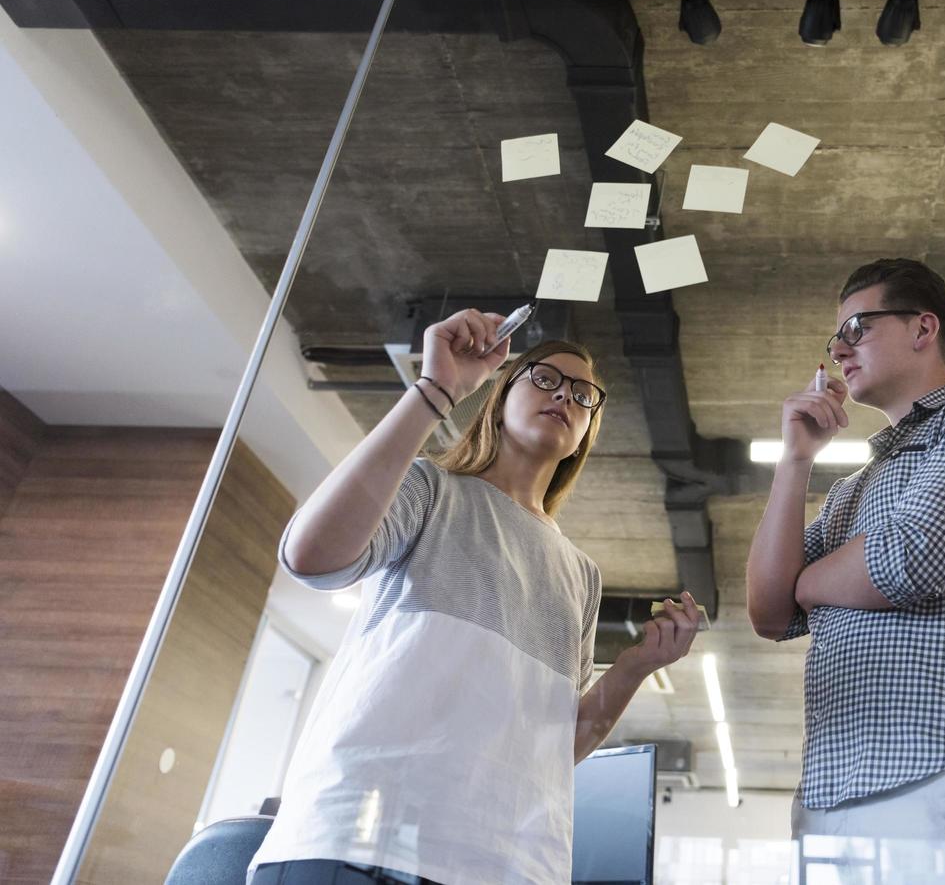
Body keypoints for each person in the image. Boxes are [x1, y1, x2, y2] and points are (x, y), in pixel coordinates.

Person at [248, 308, 702, 885]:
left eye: (584, 394)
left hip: (506, 862)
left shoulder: (581, 574)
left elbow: (558, 744)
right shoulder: (432, 490)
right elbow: (310, 558)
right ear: (499, 395)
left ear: (588, 428)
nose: (565, 395)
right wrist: (437, 391)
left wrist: (638, 666)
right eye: (544, 378)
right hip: (360, 835)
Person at [746, 259, 945, 882]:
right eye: (834, 339)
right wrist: (796, 460)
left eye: (856, 327)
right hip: (833, 795)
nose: (838, 350)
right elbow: (768, 611)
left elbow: (910, 560)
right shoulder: (848, 493)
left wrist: (809, 582)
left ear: (923, 328)